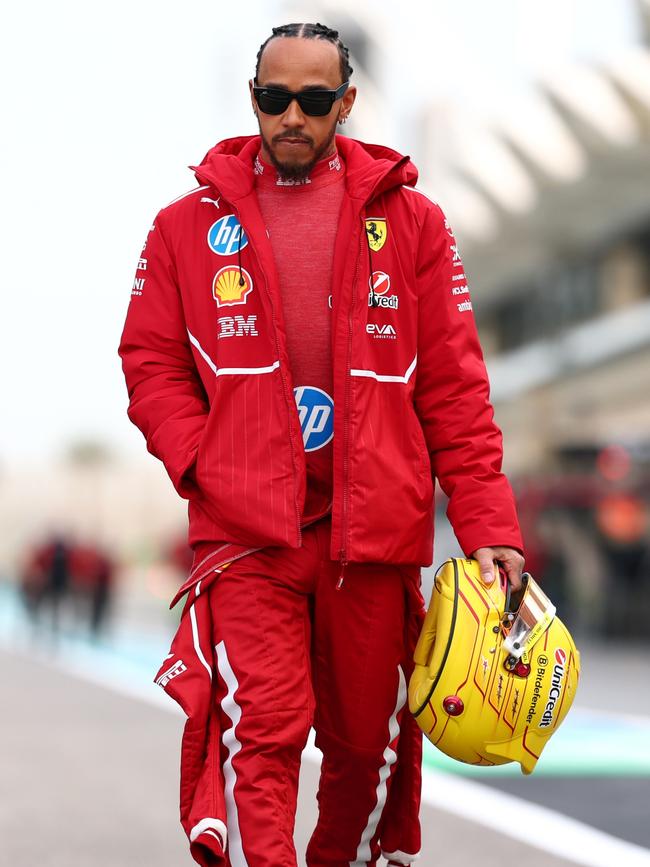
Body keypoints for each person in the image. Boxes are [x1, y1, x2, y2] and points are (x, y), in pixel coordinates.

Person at [119, 22, 524, 867]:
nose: (291, 117)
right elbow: (149, 361)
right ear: (254, 101)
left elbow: (455, 389)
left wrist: (490, 530)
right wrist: (204, 461)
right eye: (274, 99)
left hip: (371, 533)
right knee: (259, 729)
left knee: (365, 745)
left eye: (312, 99)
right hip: (247, 532)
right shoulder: (181, 228)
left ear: (346, 102)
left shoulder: (413, 223)